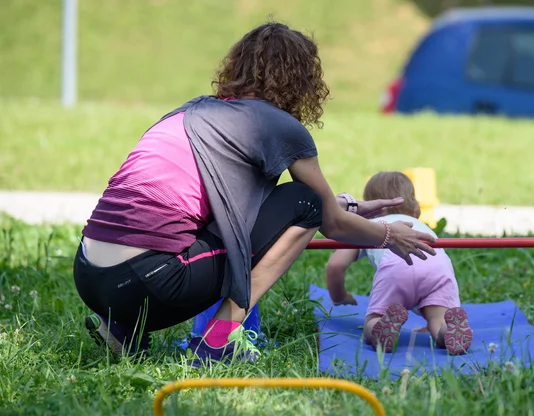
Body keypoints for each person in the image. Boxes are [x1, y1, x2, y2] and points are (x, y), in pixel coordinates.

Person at [72, 22, 437, 365]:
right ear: (301, 80)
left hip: (89, 277)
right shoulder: (276, 124)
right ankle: (218, 341)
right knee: (305, 202)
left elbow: (241, 212)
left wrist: (348, 205)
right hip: (150, 279)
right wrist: (389, 234)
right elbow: (329, 222)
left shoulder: (190, 112)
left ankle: (123, 330)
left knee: (201, 227)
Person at [325, 171, 472, 355]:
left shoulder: (370, 227)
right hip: (436, 267)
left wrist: (339, 296)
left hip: (396, 270)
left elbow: (335, 266)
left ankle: (379, 328)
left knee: (373, 319)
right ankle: (447, 331)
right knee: (438, 318)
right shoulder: (420, 227)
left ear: (369, 206)